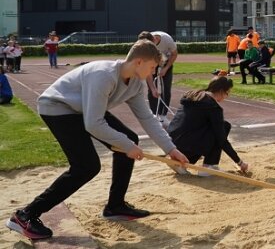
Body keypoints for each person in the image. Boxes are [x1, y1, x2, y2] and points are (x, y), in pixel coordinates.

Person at [5, 40, 189, 240]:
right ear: (139, 62)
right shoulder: (103, 75)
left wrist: (171, 149)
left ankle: (115, 206)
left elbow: (146, 118)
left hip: (82, 109)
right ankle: (25, 215)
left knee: (129, 137)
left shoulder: (135, 83)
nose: (153, 72)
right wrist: (127, 147)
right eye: (153, 67)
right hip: (58, 107)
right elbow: (93, 124)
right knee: (86, 167)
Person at [166, 76, 249, 176]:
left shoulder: (192, 95)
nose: (226, 96)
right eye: (227, 93)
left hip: (171, 142)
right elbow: (221, 140)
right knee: (224, 126)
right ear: (222, 91)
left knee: (205, 128)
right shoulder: (213, 107)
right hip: (187, 143)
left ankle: (180, 161)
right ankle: (209, 166)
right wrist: (239, 162)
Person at [138, 31, 178, 122]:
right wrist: (153, 88)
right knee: (152, 89)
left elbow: (174, 54)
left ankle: (163, 115)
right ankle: (154, 116)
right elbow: (148, 72)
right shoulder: (143, 48)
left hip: (166, 61)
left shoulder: (167, 40)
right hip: (152, 62)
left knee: (166, 89)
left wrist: (166, 68)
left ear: (155, 39)